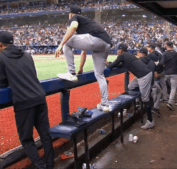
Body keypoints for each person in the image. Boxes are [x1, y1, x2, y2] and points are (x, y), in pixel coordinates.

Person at [0, 31, 54, 169]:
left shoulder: (1, 57)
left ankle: (40, 167)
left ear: (0, 44)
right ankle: (50, 165)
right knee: (45, 135)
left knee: (26, 139)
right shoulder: (26, 54)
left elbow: (2, 83)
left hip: (24, 102)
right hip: (40, 97)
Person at [55, 6, 111, 112]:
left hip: (96, 40)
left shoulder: (74, 17)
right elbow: (84, 51)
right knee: (100, 75)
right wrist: (80, 69)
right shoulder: (88, 24)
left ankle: (71, 73)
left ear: (71, 14)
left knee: (67, 40)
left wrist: (61, 44)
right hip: (106, 44)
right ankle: (105, 104)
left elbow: (73, 27)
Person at [107, 44, 155, 129]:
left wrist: (107, 64)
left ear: (121, 50)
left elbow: (111, 66)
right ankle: (135, 102)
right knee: (130, 86)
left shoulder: (122, 55)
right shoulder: (127, 55)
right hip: (141, 75)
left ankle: (150, 121)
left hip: (144, 76)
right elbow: (120, 65)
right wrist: (110, 63)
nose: (117, 51)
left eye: (118, 49)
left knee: (145, 99)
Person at [137, 47, 162, 117]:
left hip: (144, 83)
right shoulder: (151, 62)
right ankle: (155, 107)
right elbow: (155, 75)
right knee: (159, 91)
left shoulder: (139, 61)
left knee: (148, 95)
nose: (137, 53)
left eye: (139, 52)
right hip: (151, 82)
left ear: (142, 53)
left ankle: (138, 103)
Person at [157, 42, 177, 111]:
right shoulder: (176, 54)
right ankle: (170, 102)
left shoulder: (165, 54)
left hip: (167, 73)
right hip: (174, 73)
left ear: (167, 46)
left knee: (172, 88)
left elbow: (162, 63)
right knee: (173, 88)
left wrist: (157, 63)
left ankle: (175, 100)